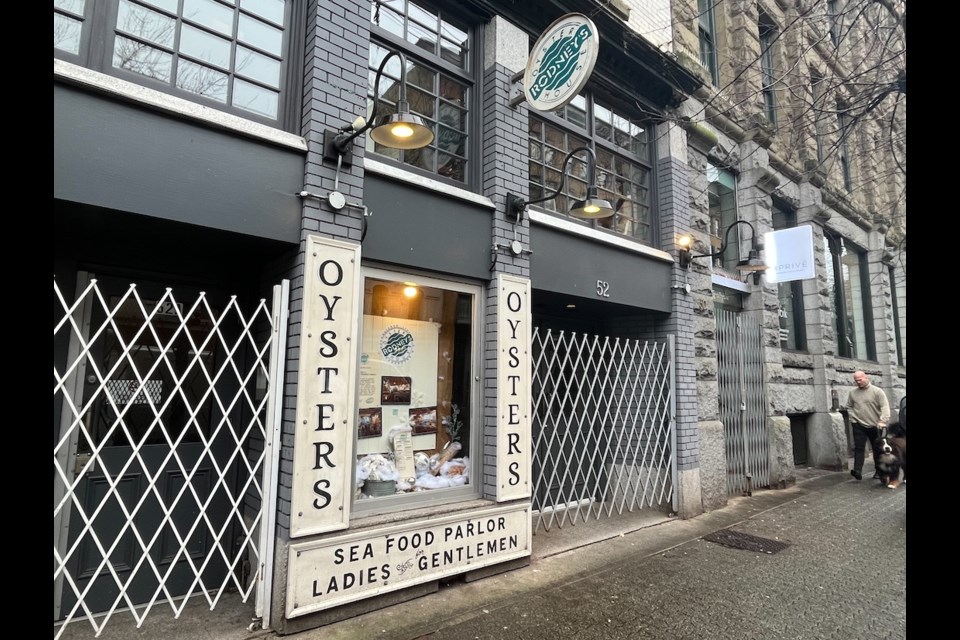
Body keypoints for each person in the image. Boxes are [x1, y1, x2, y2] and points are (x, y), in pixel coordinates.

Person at [845, 370, 890, 481]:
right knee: (859, 448)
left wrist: (883, 420)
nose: (858, 382)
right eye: (856, 381)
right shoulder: (853, 393)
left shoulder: (877, 391)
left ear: (866, 377)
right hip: (859, 424)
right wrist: (853, 419)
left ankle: (879, 472)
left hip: (876, 425)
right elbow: (849, 406)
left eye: (860, 380)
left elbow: (885, 407)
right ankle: (857, 471)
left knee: (877, 449)